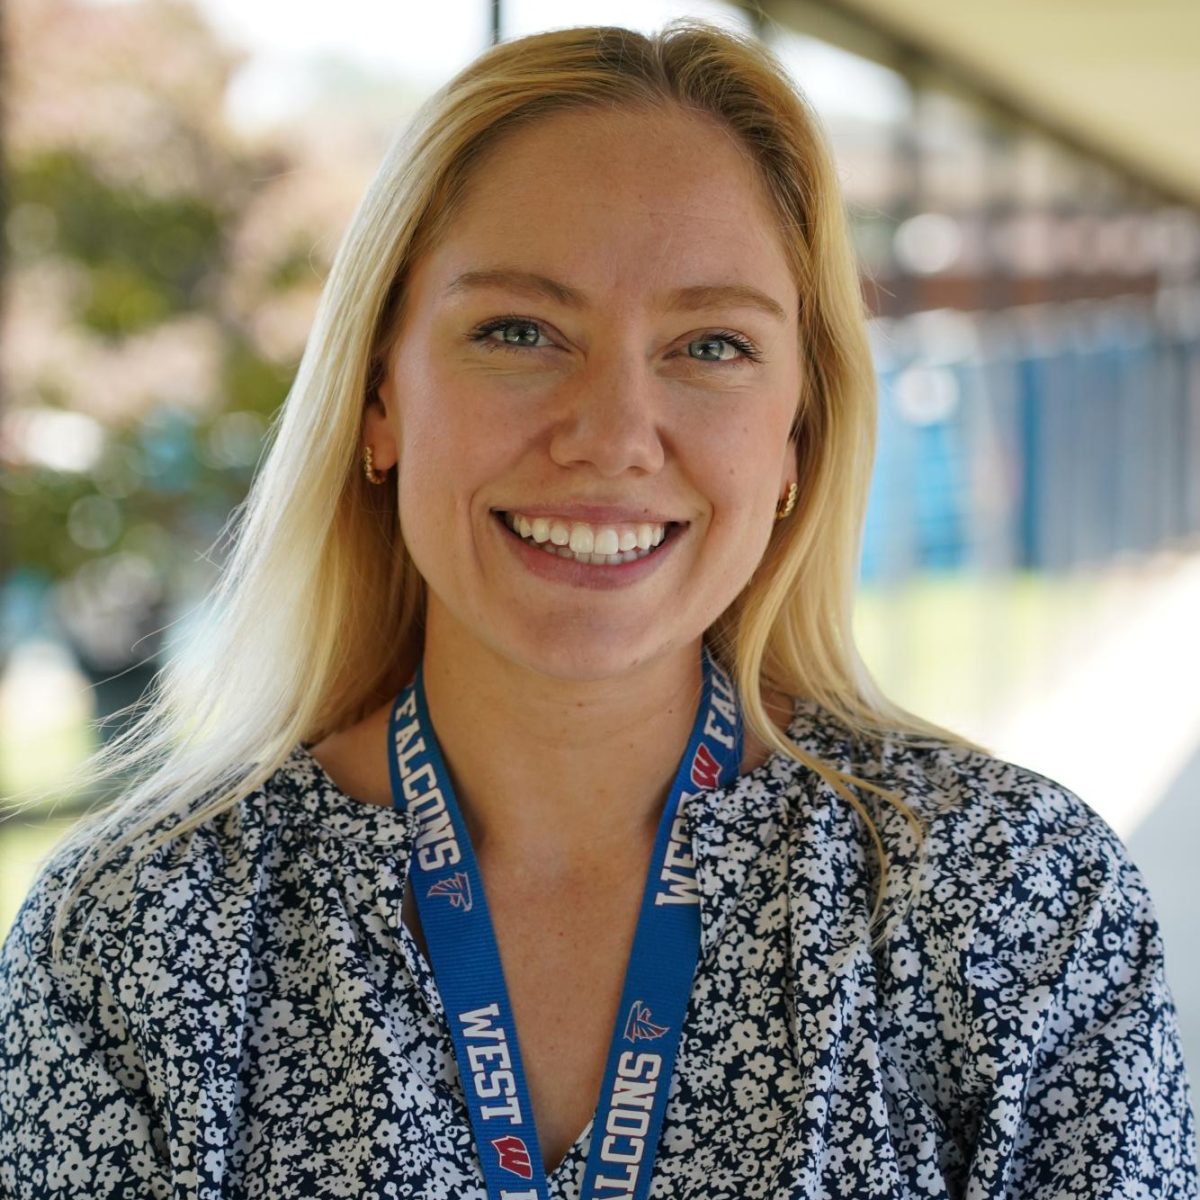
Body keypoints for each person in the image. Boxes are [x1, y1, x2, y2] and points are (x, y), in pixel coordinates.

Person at [1, 18, 1196, 1200]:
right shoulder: (133, 941)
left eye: (712, 345)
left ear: (797, 437)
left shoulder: (1014, 902)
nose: (613, 436)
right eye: (519, 331)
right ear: (379, 403)